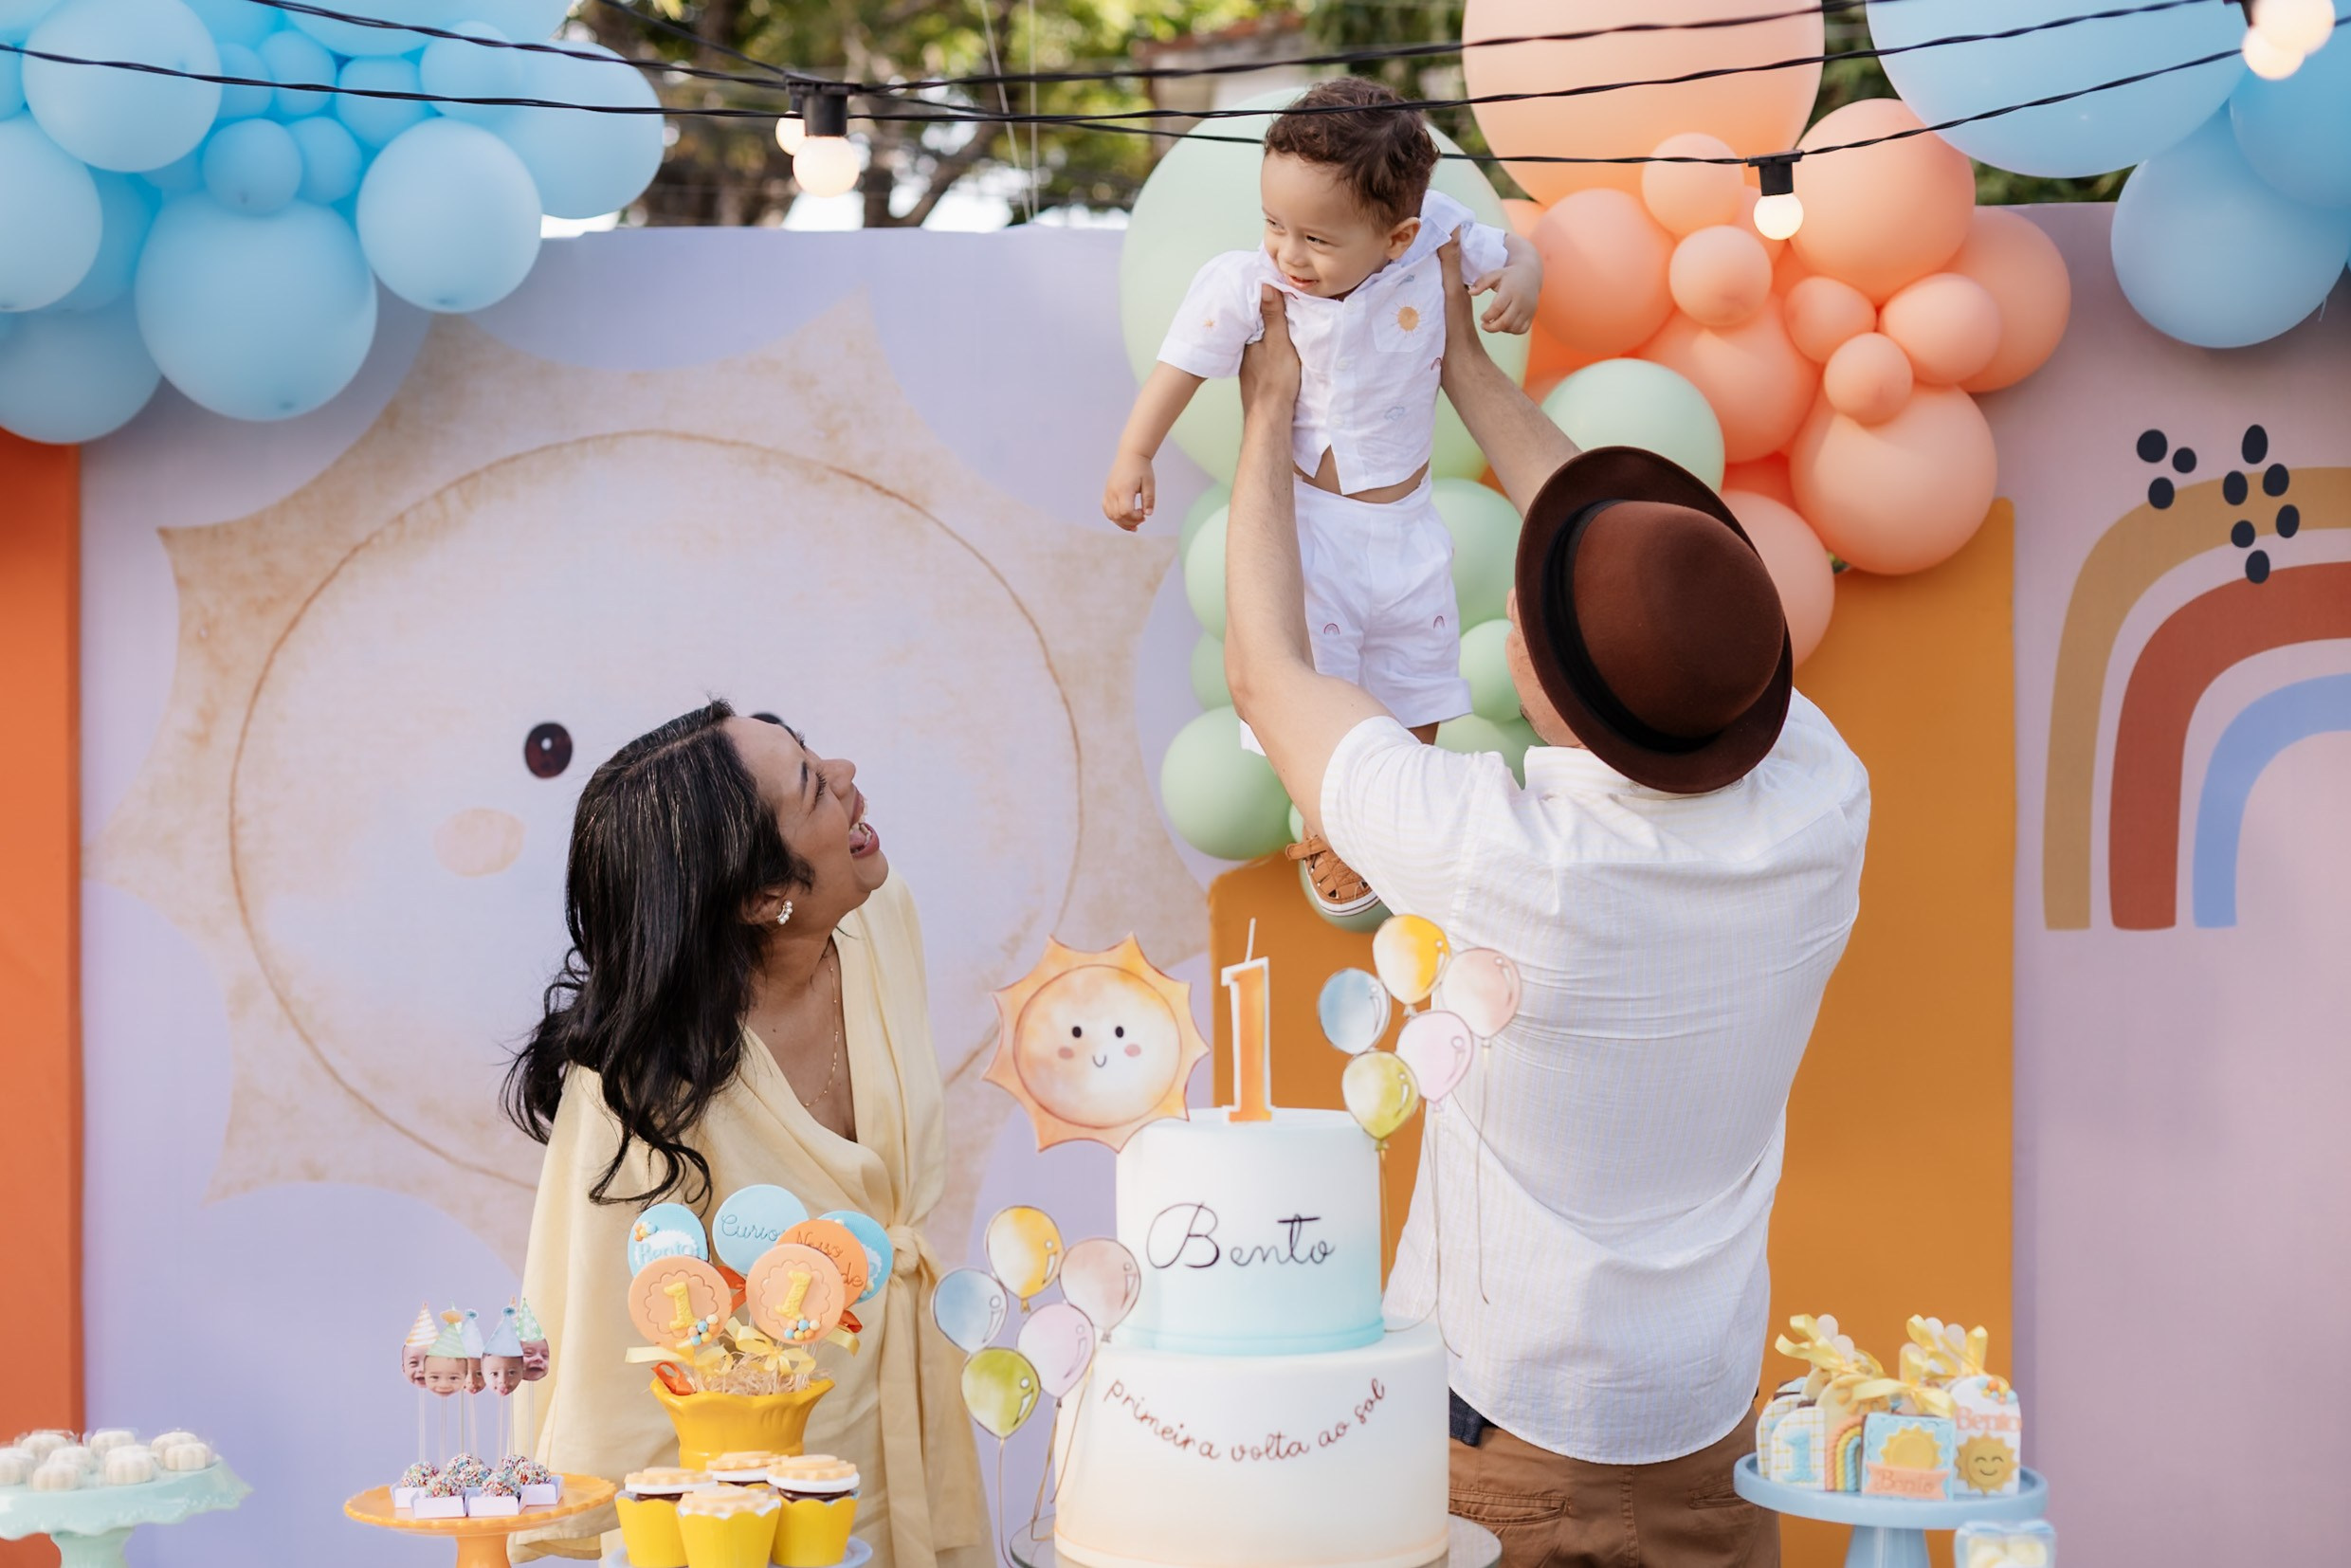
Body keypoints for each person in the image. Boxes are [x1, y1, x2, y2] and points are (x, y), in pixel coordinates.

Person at [1220, 238, 1870, 1568]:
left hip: (1495, 1454)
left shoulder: (1498, 854)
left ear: (1536, 676)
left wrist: (1271, 409)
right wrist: (1462, 361)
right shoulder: (1822, 802)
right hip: (1711, 1444)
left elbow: (1263, 671)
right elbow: (1688, 591)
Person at [503, 702, 985, 1568]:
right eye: (810, 785)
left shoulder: (881, 919)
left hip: (907, 1420)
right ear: (766, 895)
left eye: (811, 756)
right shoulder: (640, 1088)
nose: (843, 774)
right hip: (753, 1503)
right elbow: (612, 1372)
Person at [1103, 78, 1542, 917]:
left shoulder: (1436, 241)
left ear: (1397, 235)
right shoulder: (1252, 285)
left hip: (1409, 524)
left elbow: (1516, 249)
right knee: (1313, 692)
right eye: (1273, 223)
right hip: (1315, 529)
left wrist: (1524, 277)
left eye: (1314, 237)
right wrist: (1136, 451)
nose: (1286, 252)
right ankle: (1330, 829)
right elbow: (1181, 364)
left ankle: (1400, 825)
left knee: (1421, 689)